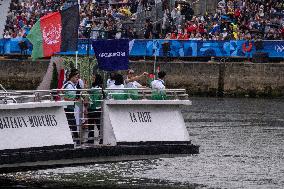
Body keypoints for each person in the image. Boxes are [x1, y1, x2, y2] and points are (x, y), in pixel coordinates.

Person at [63, 70, 79, 142]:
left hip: (70, 107)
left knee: (72, 123)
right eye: (76, 77)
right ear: (72, 77)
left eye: (77, 77)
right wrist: (74, 101)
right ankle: (76, 138)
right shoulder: (69, 86)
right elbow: (64, 97)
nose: (77, 79)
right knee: (72, 123)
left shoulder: (72, 86)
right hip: (67, 108)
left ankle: (75, 138)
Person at [88, 74, 104, 144]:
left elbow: (99, 96)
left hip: (97, 108)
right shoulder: (92, 86)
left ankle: (102, 138)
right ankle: (90, 139)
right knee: (90, 124)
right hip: (91, 107)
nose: (92, 78)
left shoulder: (99, 88)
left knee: (98, 124)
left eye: (94, 77)